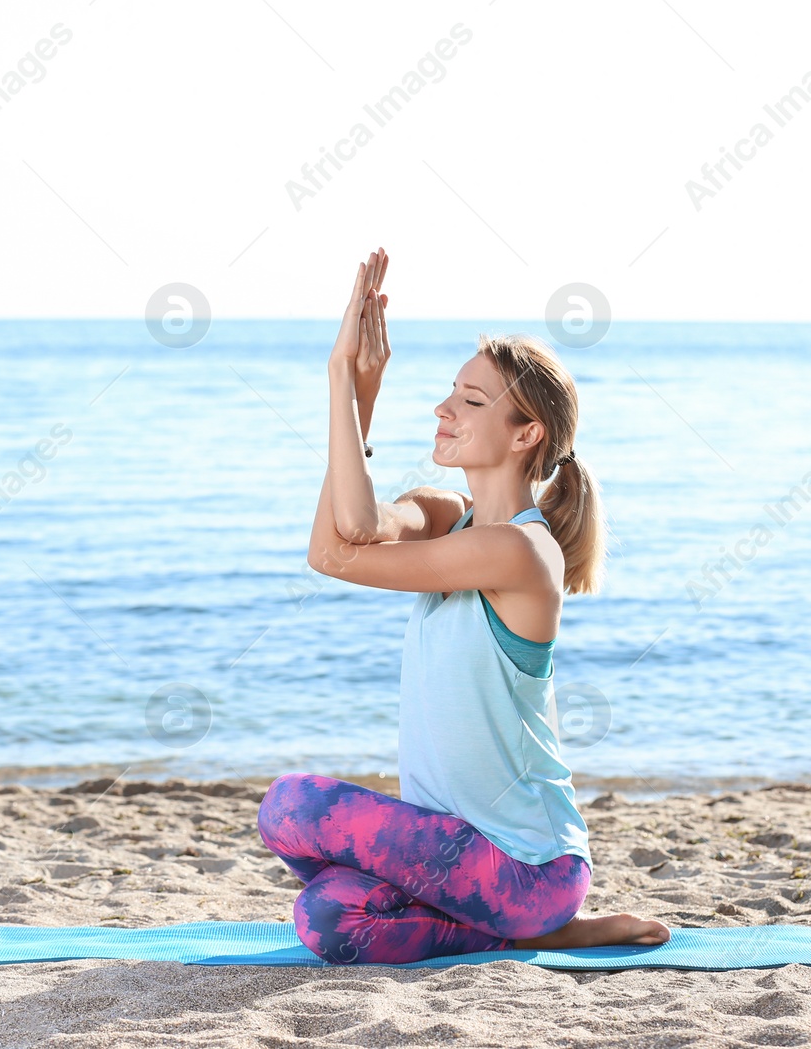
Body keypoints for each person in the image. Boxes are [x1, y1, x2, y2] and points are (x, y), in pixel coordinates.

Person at [256, 246, 670, 964]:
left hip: (526, 866)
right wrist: (363, 392)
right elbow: (333, 548)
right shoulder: (448, 514)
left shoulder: (520, 551)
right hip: (455, 856)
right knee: (328, 919)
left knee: (291, 806)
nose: (445, 409)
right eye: (451, 392)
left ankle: (545, 923)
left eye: (472, 402)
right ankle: (546, 934)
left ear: (526, 434)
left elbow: (346, 542)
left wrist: (340, 380)